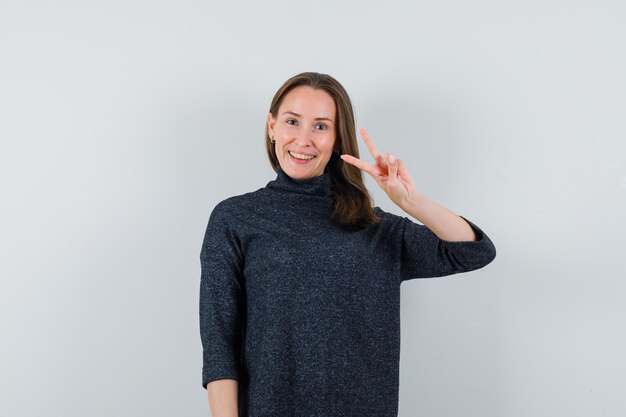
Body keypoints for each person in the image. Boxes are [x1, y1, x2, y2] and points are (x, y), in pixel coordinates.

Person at [199, 72, 497, 417]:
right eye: (292, 121)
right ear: (272, 127)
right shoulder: (235, 218)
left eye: (321, 127)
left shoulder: (374, 227)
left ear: (338, 139)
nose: (303, 139)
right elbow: (219, 344)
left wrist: (411, 201)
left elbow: (474, 251)